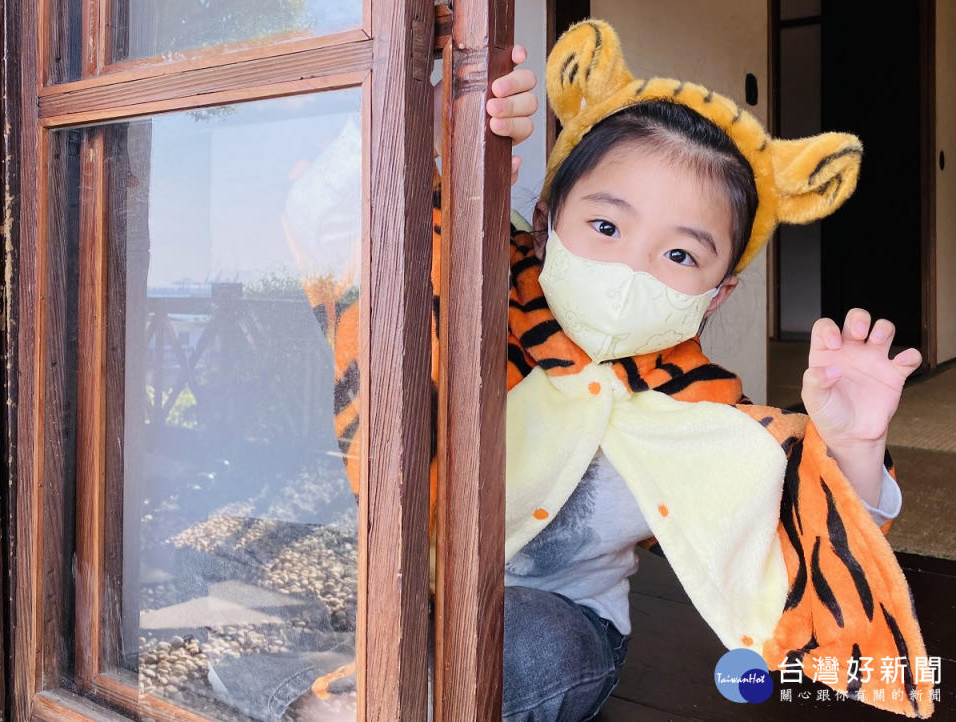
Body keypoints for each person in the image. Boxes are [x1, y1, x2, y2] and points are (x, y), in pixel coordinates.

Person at [316, 19, 936, 722]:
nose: (631, 269)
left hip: (562, 618)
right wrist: (428, 117)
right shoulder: (472, 294)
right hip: (395, 588)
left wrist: (853, 446)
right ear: (546, 220)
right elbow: (348, 231)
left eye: (680, 256)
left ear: (718, 292)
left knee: (532, 645)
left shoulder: (708, 418)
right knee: (283, 575)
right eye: (606, 229)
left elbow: (816, 542)